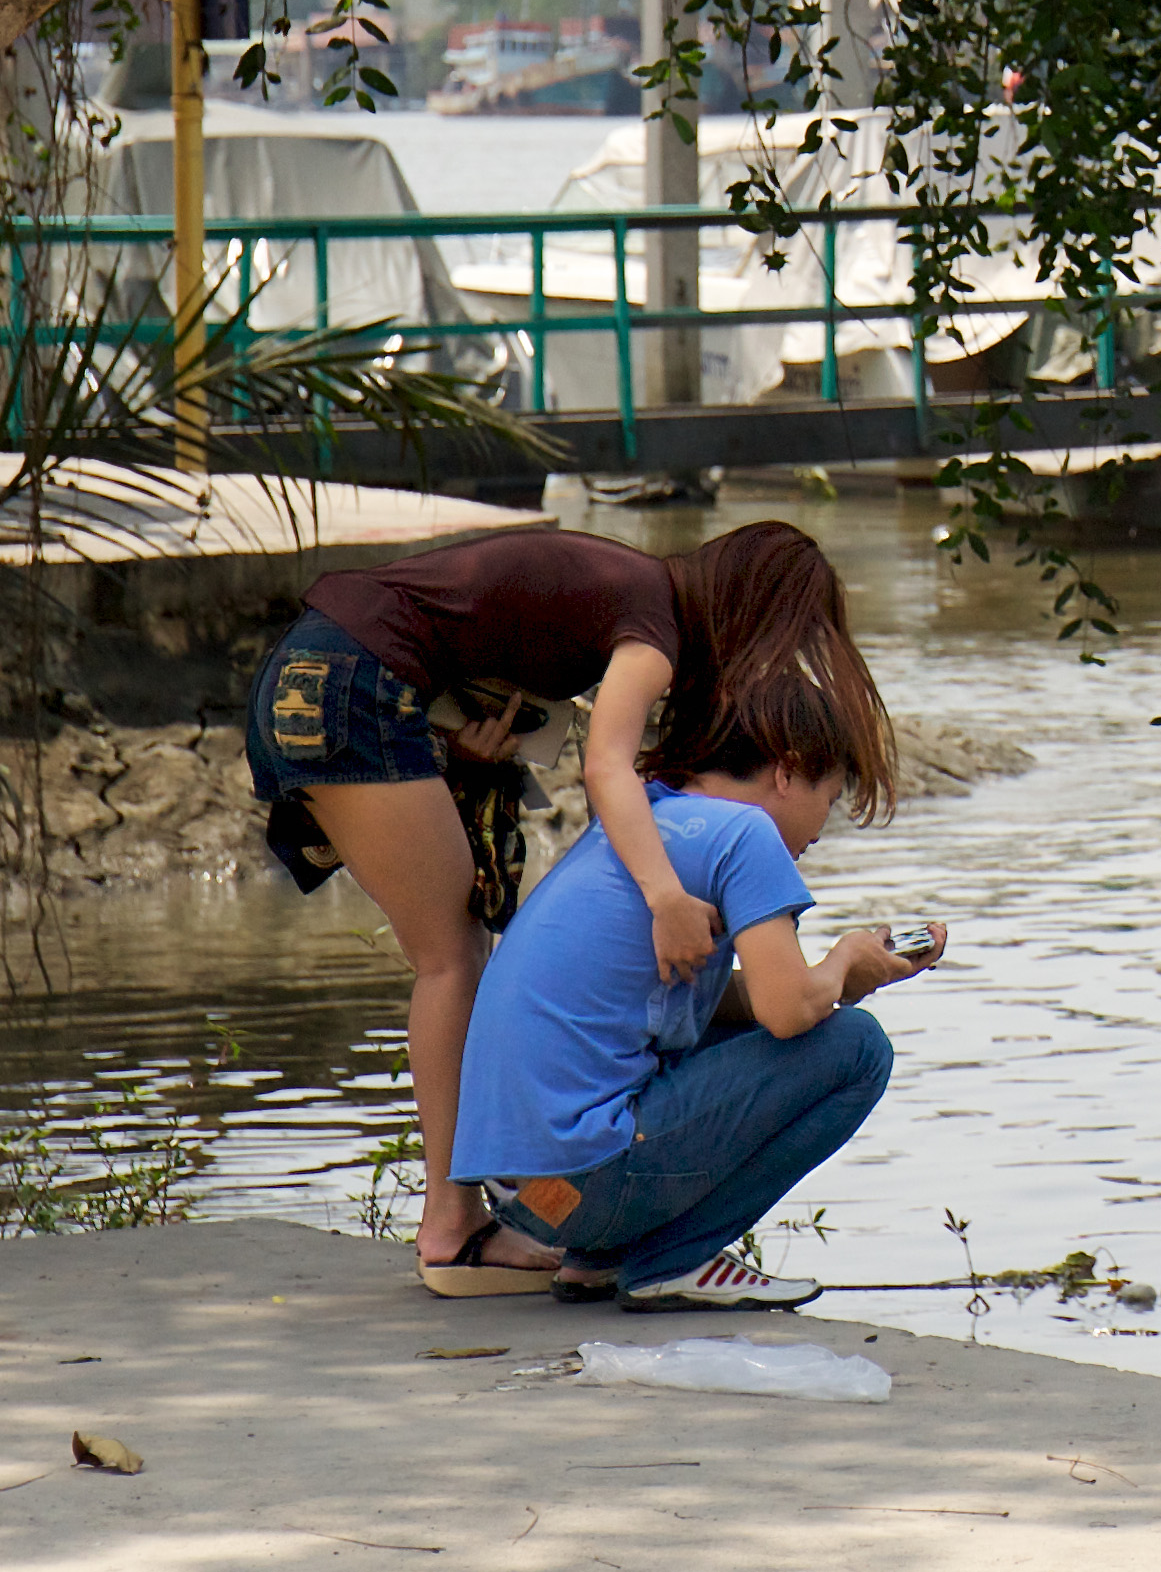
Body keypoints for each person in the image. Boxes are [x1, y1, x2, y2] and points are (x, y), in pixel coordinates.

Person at [243, 520, 891, 1295]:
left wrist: (468, 755)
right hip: (351, 678)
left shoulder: (633, 602)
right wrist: (663, 895)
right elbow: (605, 762)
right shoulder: (654, 627)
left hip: (331, 673)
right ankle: (454, 1224)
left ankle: (495, 1217)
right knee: (449, 958)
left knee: (460, 945)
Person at [451, 676, 938, 1311]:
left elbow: (739, 1008)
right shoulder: (744, 834)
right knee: (858, 1049)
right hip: (590, 1185)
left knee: (739, 1028)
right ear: (789, 771)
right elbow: (789, 1013)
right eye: (830, 794)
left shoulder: (646, 822)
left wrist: (845, 979)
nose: (823, 826)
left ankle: (601, 1260)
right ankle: (669, 1261)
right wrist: (844, 956)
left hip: (529, 1202)